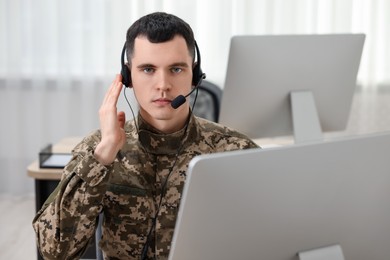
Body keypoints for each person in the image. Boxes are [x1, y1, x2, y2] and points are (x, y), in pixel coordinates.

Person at [33, 12, 259, 260]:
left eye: (175, 69)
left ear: (194, 75)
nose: (162, 84)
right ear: (128, 76)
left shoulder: (234, 150)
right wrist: (103, 156)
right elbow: (54, 252)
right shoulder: (98, 150)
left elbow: (273, 232)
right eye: (148, 69)